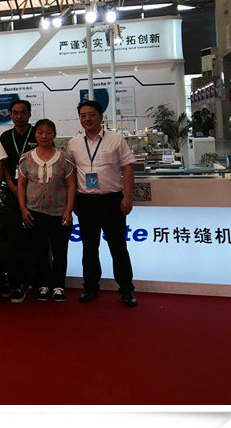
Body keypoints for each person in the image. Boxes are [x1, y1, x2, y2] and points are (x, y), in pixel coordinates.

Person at [67, 99, 138, 308]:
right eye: (83, 115)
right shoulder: (74, 143)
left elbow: (128, 168)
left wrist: (128, 197)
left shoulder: (116, 140)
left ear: (101, 117)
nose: (87, 119)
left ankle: (126, 289)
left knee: (118, 247)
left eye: (91, 114)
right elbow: (70, 173)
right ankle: (90, 287)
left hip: (112, 201)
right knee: (89, 249)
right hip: (86, 203)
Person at [18, 119, 76, 302]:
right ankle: (43, 284)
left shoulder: (64, 158)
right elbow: (21, 185)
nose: (44, 136)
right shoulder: (26, 158)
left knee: (60, 251)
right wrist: (23, 209)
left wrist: (68, 210)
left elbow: (71, 186)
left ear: (54, 135)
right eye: (40, 132)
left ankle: (58, 285)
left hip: (59, 212)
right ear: (35, 135)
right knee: (40, 251)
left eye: (48, 132)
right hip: (34, 212)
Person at [0, 99, 38, 208]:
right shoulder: (5, 137)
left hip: (36, 188)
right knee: (13, 217)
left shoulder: (38, 134)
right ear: (10, 115)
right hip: (12, 188)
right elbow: (3, 165)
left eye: (23, 113)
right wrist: (12, 187)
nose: (19, 116)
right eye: (15, 113)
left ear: (29, 114)